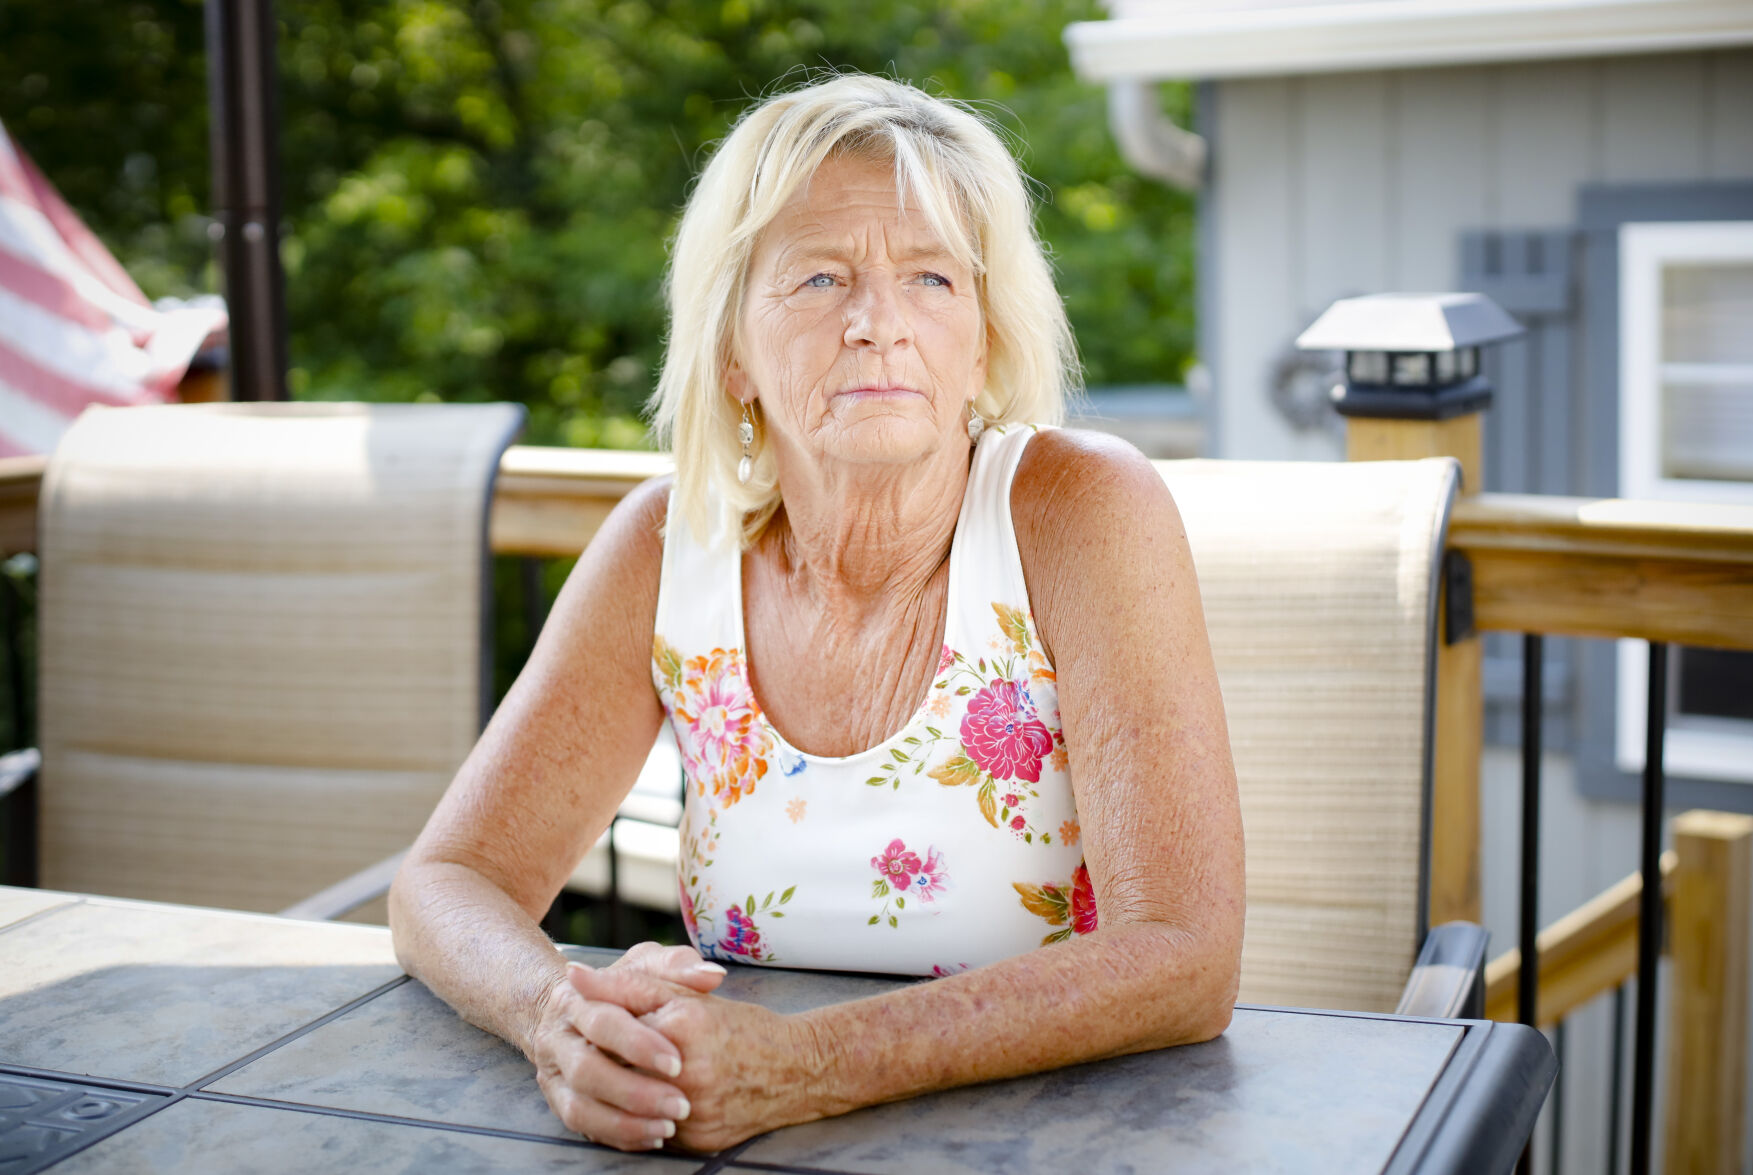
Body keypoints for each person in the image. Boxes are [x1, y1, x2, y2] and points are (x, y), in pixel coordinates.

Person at [389, 73, 1244, 1154]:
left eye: (932, 278)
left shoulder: (1079, 509)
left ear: (980, 338)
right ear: (732, 347)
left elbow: (1183, 954)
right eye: (819, 278)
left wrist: (809, 1066)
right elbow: (445, 881)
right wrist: (559, 1015)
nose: (877, 324)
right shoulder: (666, 541)